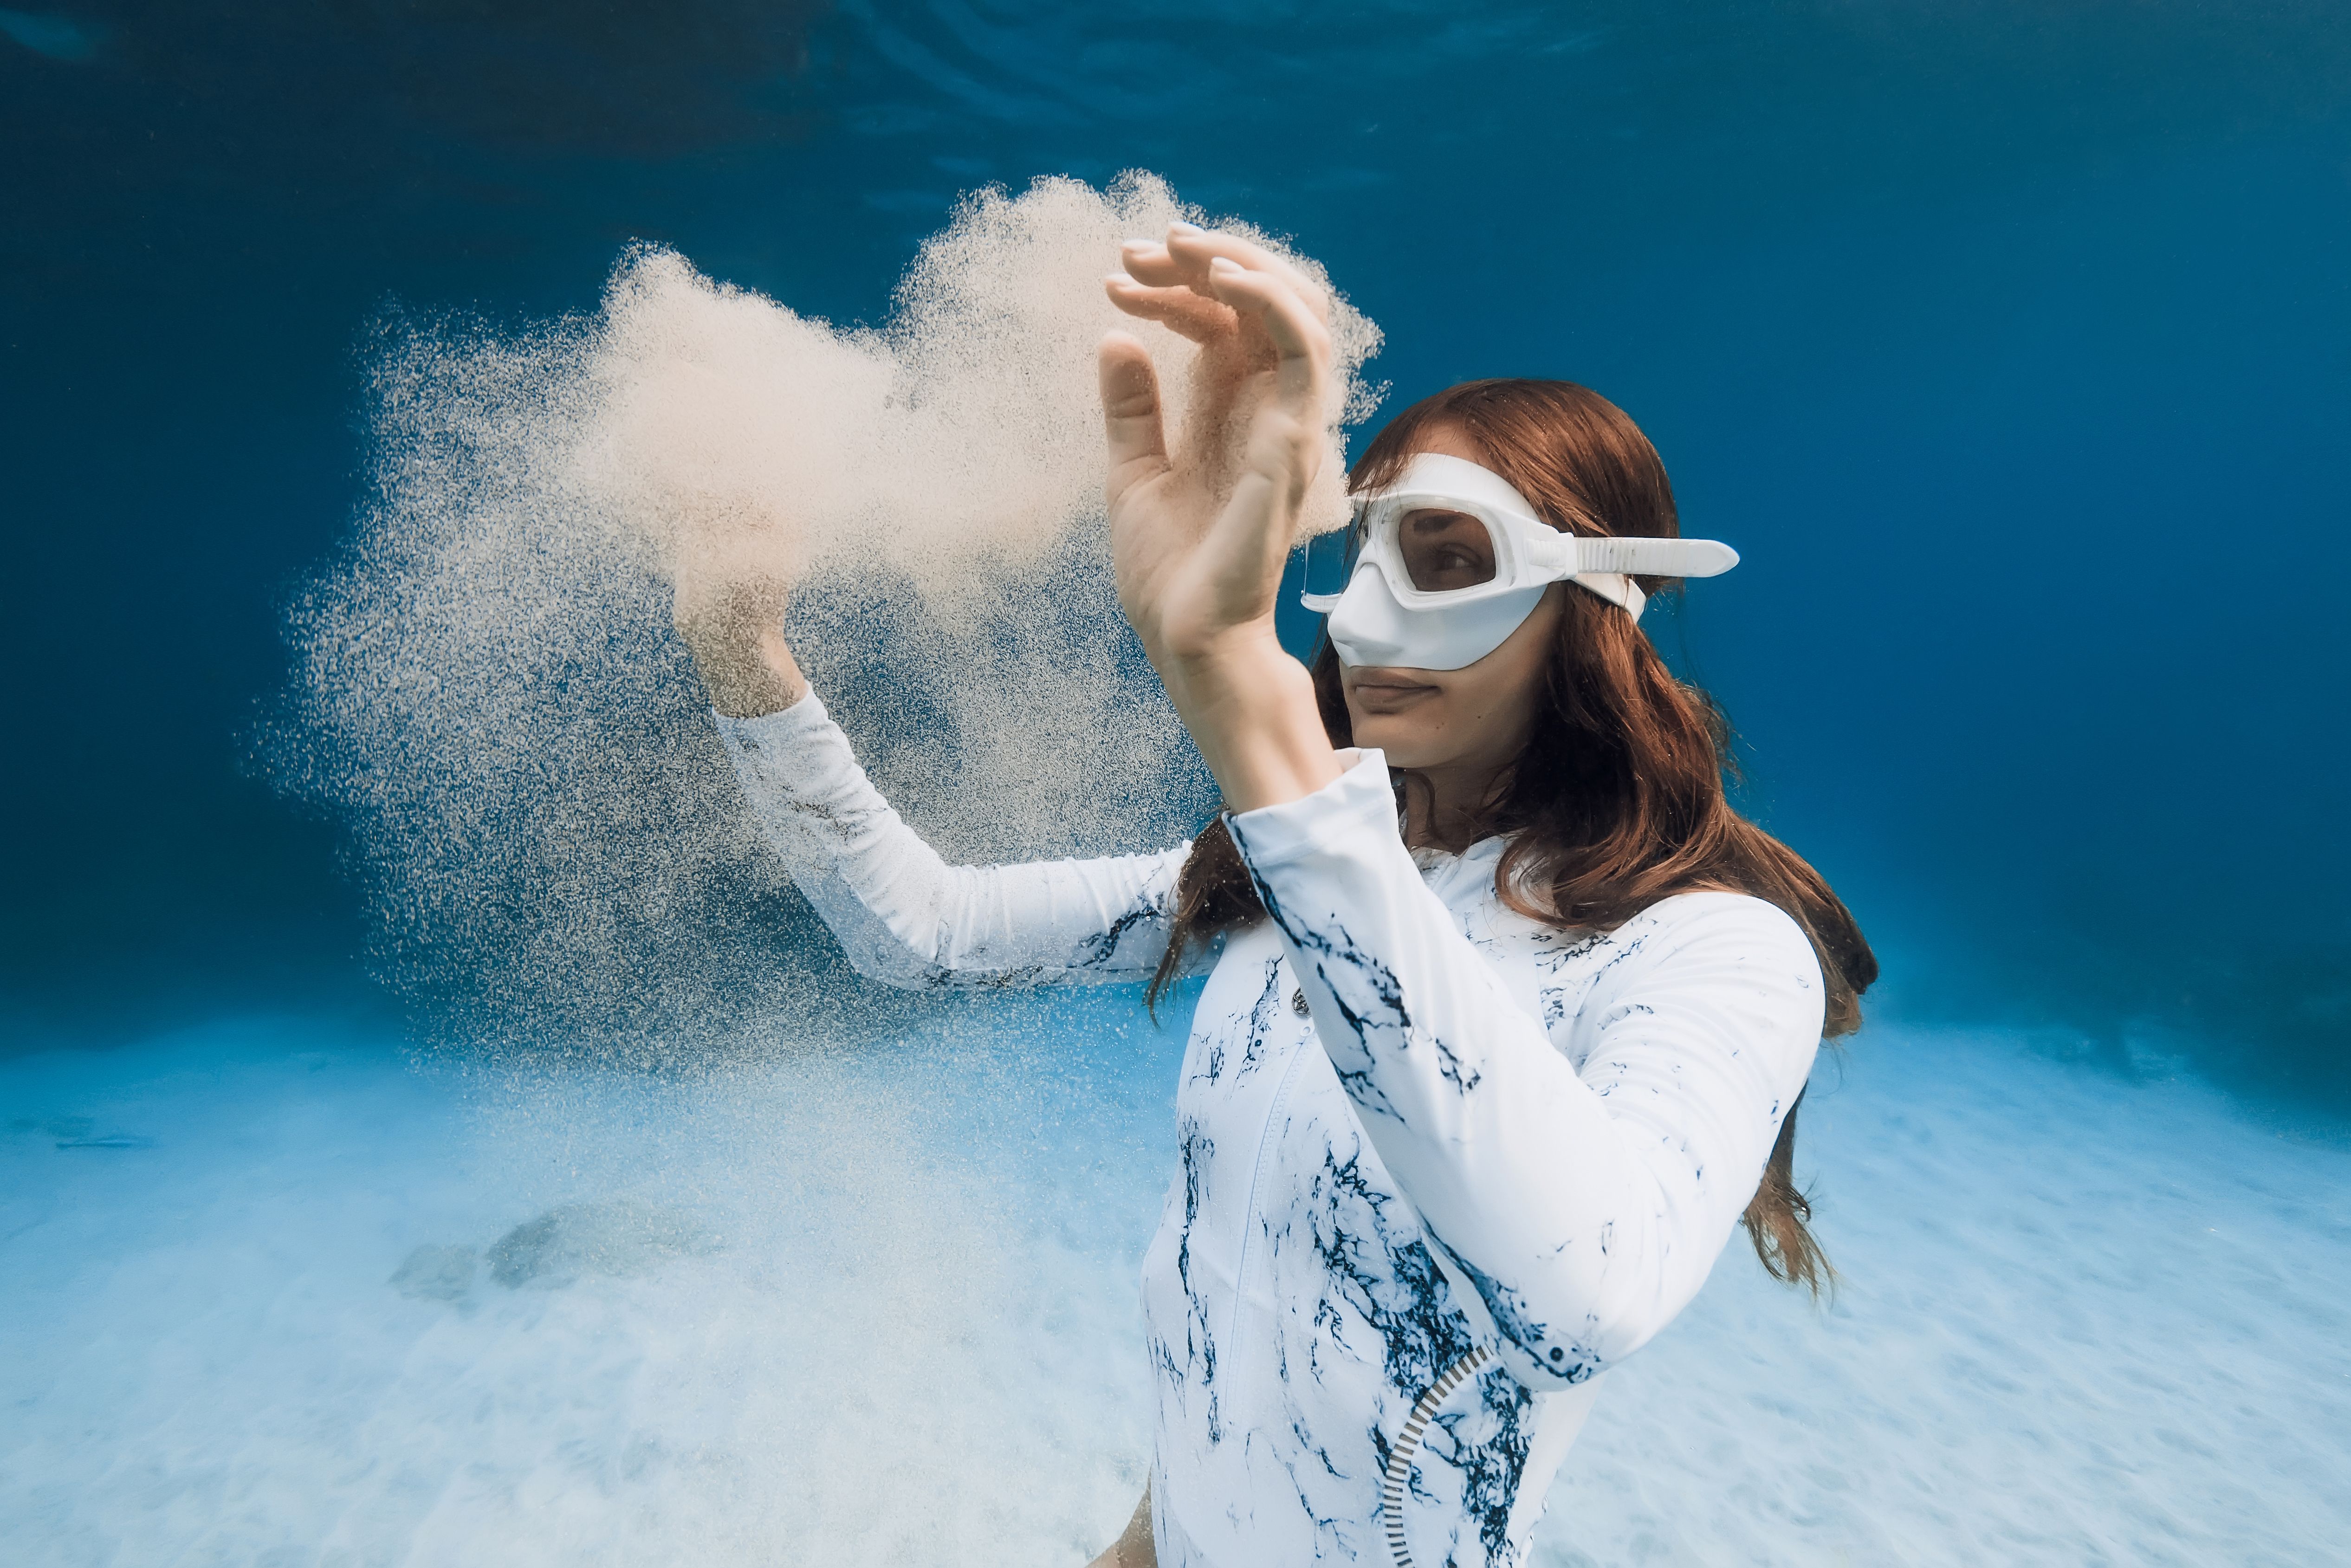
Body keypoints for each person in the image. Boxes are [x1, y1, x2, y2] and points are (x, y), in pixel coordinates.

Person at [673, 224, 1875, 1568]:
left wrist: (1233, 682)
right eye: (1351, 552)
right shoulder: (1275, 885)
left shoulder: (1713, 950)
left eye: (1447, 556)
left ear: (1607, 603)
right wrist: (741, 650)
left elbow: (1587, 1297)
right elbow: (920, 934)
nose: (1356, 624)